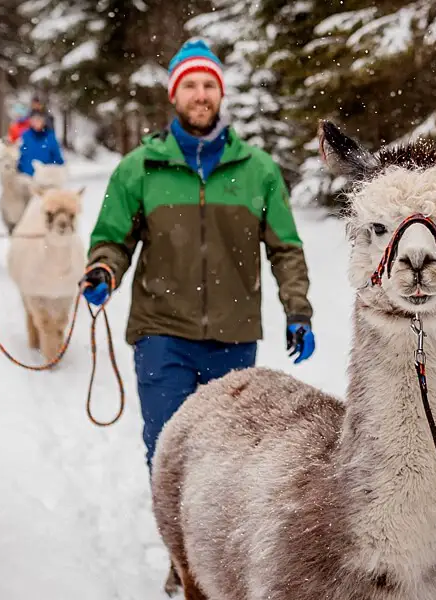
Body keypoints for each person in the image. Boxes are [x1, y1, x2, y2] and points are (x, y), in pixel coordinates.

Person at [81, 39, 316, 472]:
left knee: (225, 465)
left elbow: (285, 249)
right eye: (190, 85)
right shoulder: (139, 167)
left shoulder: (258, 169)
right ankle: (177, 542)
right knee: (168, 454)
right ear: (174, 94)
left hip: (233, 337)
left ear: (221, 93)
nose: (201, 94)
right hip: (162, 333)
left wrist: (298, 311)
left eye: (209, 84)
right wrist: (103, 270)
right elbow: (112, 238)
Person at [16, 109, 64, 176]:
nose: (36, 122)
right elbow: (19, 154)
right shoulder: (25, 136)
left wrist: (55, 168)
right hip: (27, 178)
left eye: (38, 119)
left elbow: (57, 157)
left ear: (43, 121)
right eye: (33, 120)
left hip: (44, 178)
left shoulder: (50, 137)